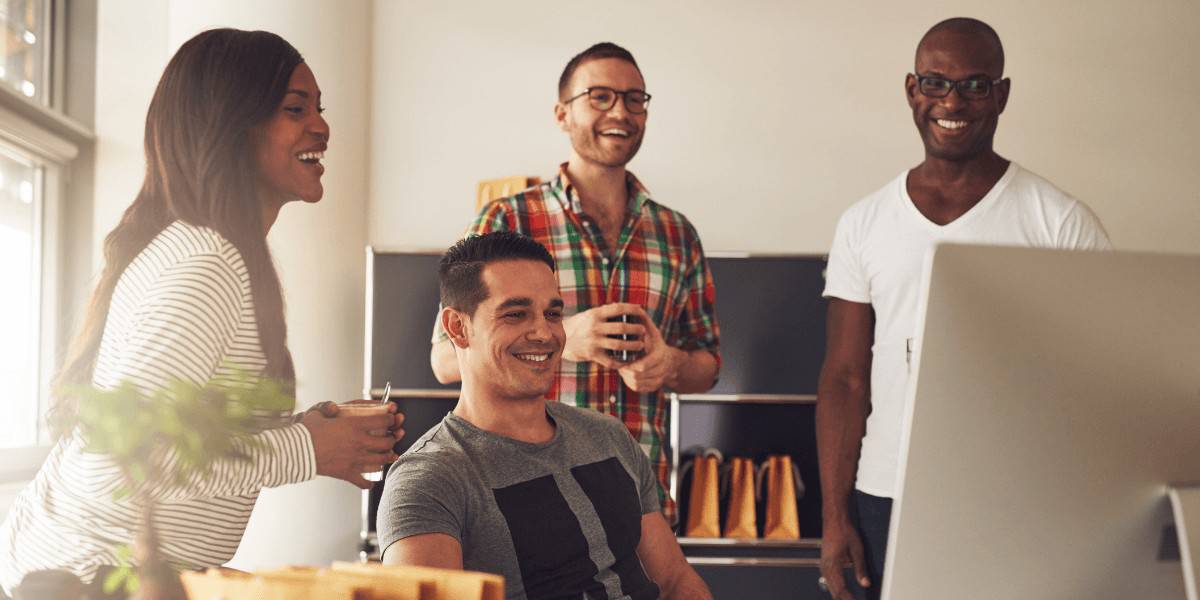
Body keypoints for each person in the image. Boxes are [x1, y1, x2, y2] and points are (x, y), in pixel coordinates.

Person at [0, 28, 404, 598]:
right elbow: (127, 455)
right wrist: (305, 448)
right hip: (86, 581)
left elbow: (178, 431)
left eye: (319, 108)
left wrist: (310, 433)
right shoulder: (207, 263)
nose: (322, 126)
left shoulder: (213, 251)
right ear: (230, 125)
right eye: (295, 109)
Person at [815, 17, 1112, 600]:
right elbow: (845, 379)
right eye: (936, 83)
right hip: (888, 495)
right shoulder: (864, 223)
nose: (953, 101)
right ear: (912, 90)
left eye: (976, 85)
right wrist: (833, 516)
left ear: (1001, 94)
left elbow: (1100, 381)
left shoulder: (1060, 221)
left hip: (1016, 497)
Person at [429, 42, 720, 518]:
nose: (620, 111)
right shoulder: (506, 218)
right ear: (562, 114)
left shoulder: (677, 233)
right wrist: (565, 337)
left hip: (641, 506)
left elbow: (708, 365)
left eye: (634, 98)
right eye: (600, 97)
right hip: (525, 499)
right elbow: (444, 360)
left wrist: (668, 364)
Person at [383, 232, 711, 600]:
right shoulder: (429, 479)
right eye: (515, 314)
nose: (545, 333)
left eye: (553, 314)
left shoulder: (610, 438)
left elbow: (676, 582)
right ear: (458, 328)